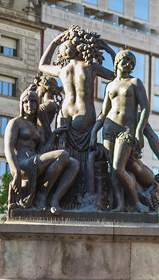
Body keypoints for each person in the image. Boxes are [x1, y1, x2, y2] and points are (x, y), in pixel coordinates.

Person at [38, 26, 115, 203]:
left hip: (64, 114)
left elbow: (42, 65)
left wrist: (54, 41)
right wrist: (109, 50)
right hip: (84, 113)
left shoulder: (62, 70)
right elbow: (116, 75)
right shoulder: (91, 66)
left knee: (64, 155)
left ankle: (63, 196)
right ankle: (84, 196)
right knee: (87, 154)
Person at [90, 49, 159, 212]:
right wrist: (93, 131)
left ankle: (136, 202)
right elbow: (104, 112)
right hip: (109, 129)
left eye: (132, 64)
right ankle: (119, 205)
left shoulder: (135, 83)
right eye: (127, 61)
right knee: (113, 170)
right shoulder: (110, 85)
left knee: (118, 167)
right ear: (118, 62)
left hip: (127, 130)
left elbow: (145, 108)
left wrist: (138, 131)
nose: (130, 66)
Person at [3, 88, 79, 213]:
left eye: (33, 102)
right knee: (63, 154)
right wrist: (15, 171)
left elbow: (44, 151)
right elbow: (8, 148)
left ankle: (54, 199)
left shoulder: (38, 128)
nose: (29, 105)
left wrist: (54, 135)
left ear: (37, 104)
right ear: (21, 104)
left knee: (73, 163)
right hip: (22, 164)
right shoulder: (15, 122)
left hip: (35, 160)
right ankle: (42, 196)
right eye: (26, 102)